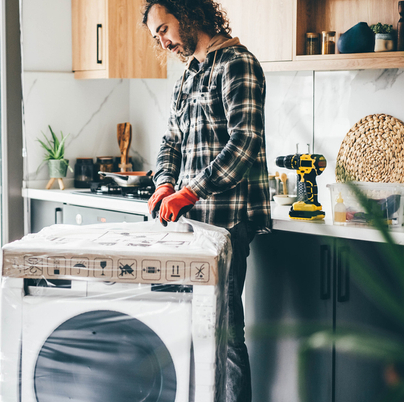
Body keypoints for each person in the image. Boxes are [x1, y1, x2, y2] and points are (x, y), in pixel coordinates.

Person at [143, 1, 271, 401]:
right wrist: (165, 183)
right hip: (188, 228)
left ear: (188, 13)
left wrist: (191, 190)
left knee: (227, 338)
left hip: (226, 226)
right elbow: (170, 142)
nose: (162, 41)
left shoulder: (237, 63)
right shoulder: (188, 76)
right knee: (192, 334)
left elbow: (244, 142)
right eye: (155, 36)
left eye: (164, 29)